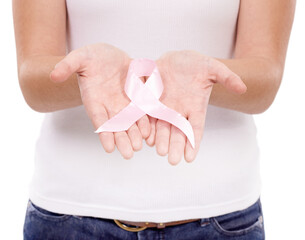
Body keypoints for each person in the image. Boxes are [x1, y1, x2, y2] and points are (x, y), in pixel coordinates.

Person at [13, 0, 295, 239]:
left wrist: (205, 77)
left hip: (222, 217)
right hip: (69, 214)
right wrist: (85, 75)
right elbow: (32, 80)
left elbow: (265, 79)